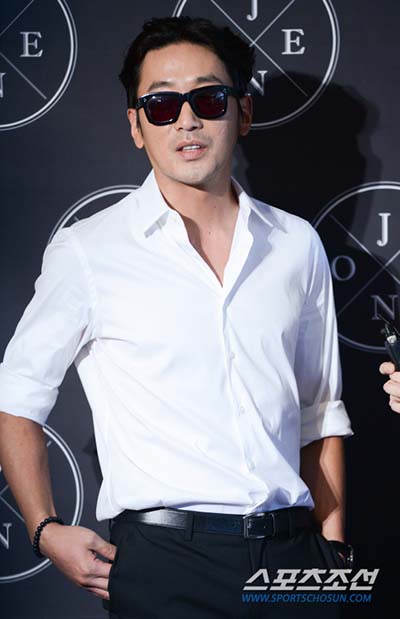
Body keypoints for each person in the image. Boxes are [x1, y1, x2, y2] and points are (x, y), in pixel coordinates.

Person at [0, 16, 354, 619]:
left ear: (242, 112)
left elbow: (319, 412)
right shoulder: (89, 251)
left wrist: (335, 556)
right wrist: (42, 528)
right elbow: (17, 396)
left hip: (295, 554)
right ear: (136, 126)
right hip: (165, 561)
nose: (186, 120)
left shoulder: (297, 245)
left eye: (208, 99)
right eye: (162, 105)